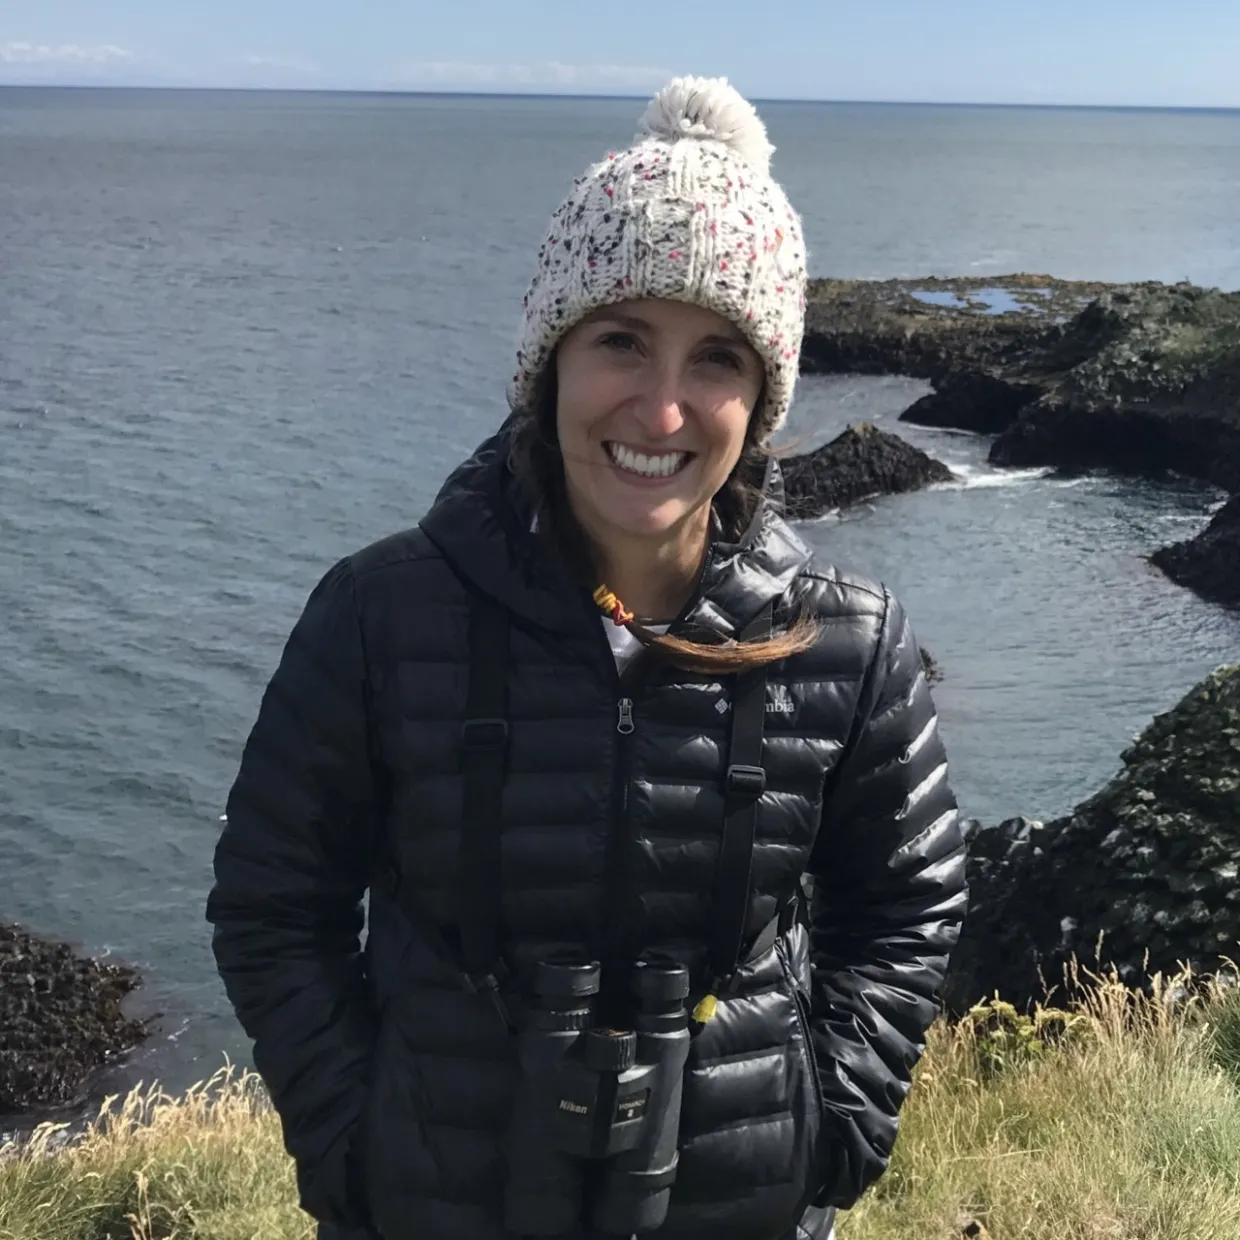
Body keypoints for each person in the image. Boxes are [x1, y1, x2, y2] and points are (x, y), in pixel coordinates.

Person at [206, 76, 967, 1240]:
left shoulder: (846, 639)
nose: (662, 411)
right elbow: (272, 905)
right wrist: (351, 1142)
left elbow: (908, 901)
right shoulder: (382, 615)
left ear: (762, 398)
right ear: (548, 358)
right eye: (621, 340)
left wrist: (833, 1127)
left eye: (717, 357)